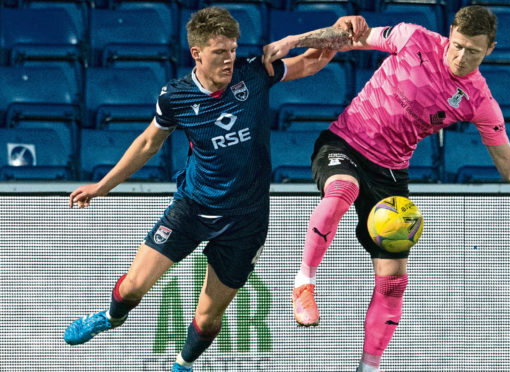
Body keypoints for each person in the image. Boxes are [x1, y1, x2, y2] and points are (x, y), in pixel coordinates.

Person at [263, 5, 510, 372]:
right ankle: (304, 283)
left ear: (490, 49)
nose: (461, 57)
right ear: (450, 34)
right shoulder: (413, 37)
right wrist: (292, 40)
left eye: (473, 51)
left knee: (394, 280)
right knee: (342, 191)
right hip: (344, 144)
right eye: (458, 45)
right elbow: (350, 37)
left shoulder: (479, 100)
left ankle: (369, 367)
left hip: (390, 175)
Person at [63, 7, 367, 372]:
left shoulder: (253, 74)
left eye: (232, 50)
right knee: (131, 289)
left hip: (245, 222)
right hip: (192, 207)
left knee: (207, 321)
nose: (229, 59)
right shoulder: (175, 97)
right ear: (197, 54)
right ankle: (110, 319)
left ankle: (181, 365)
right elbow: (147, 144)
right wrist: (102, 186)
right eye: (219, 53)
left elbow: (315, 61)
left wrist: (306, 37)